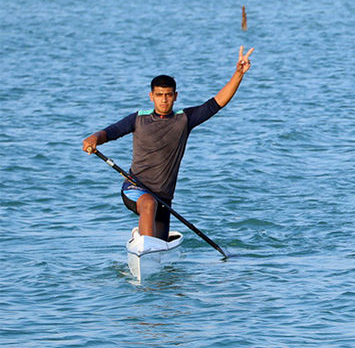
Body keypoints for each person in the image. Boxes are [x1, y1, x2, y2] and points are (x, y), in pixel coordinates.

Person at [83, 46, 254, 240]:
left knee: (160, 239)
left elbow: (216, 103)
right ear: (151, 97)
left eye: (168, 95)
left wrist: (238, 74)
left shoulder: (184, 119)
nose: (164, 100)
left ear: (175, 96)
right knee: (148, 205)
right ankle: (145, 245)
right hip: (135, 190)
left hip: (163, 198)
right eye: (159, 95)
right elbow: (110, 132)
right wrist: (94, 139)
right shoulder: (138, 119)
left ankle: (143, 236)